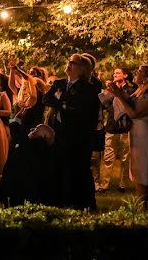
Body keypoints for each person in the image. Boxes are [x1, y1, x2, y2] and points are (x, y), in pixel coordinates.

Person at [43, 53, 101, 211]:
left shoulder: (88, 88)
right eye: (68, 62)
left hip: (78, 135)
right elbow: (46, 99)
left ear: (81, 69)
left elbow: (81, 110)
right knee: (59, 166)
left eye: (73, 63)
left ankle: (82, 202)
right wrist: (62, 102)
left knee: (78, 168)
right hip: (59, 131)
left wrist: (61, 103)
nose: (69, 65)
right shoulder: (60, 83)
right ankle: (60, 200)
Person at [108, 65, 148, 212]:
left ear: (146, 79)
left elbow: (134, 113)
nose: (135, 73)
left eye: (139, 72)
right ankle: (142, 209)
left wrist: (119, 96)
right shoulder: (138, 93)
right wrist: (116, 92)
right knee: (139, 173)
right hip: (137, 135)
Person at [96, 67, 135, 193]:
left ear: (125, 75)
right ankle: (104, 185)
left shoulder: (130, 90)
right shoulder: (110, 91)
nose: (114, 74)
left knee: (125, 158)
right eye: (114, 73)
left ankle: (123, 184)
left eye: (117, 73)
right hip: (112, 127)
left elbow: (129, 103)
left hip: (125, 127)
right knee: (108, 157)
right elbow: (105, 104)